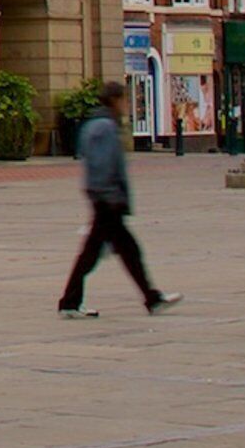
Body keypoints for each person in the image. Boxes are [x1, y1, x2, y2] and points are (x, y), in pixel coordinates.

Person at [58, 97, 181, 318]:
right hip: (108, 202)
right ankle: (70, 302)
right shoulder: (104, 127)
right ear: (115, 101)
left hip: (104, 200)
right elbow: (103, 164)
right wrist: (110, 196)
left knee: (115, 252)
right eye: (124, 100)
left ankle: (71, 301)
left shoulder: (95, 125)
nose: (126, 105)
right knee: (117, 252)